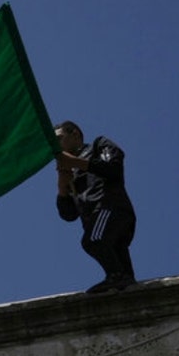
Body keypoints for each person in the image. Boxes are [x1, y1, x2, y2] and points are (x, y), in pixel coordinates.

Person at [54, 120, 137, 293]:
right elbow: (68, 214)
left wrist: (76, 162)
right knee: (121, 266)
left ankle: (116, 277)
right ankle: (123, 283)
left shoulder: (99, 145)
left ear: (75, 134)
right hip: (93, 218)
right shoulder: (70, 172)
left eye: (60, 138)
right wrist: (62, 185)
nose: (57, 145)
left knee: (93, 240)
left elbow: (112, 168)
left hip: (111, 208)